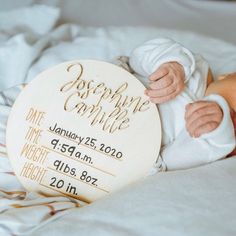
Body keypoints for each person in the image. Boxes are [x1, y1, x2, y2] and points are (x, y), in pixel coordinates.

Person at [116, 38, 236, 172]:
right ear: (227, 76)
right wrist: (171, 64)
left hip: (111, 149)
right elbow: (137, 57)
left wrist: (218, 134)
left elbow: (169, 161)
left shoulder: (207, 143)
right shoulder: (194, 69)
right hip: (105, 90)